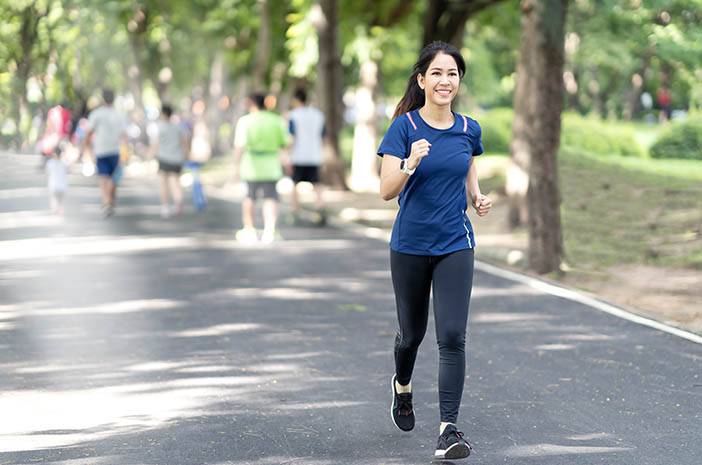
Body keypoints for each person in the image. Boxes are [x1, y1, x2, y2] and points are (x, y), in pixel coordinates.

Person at [377, 41, 492, 460]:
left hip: (454, 244)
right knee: (412, 334)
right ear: (422, 80)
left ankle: (448, 429)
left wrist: (476, 196)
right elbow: (385, 192)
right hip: (409, 245)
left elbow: (467, 163)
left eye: (453, 74)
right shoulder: (403, 128)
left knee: (452, 336)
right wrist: (409, 164)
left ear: (459, 82)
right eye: (438, 74)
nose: (446, 81)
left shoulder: (468, 129)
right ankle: (402, 387)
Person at [83, 89, 128, 217]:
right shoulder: (119, 115)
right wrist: (125, 153)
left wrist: (87, 148)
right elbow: (124, 136)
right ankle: (109, 201)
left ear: (103, 99)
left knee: (104, 177)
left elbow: (88, 133)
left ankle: (106, 201)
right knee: (113, 178)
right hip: (115, 150)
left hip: (101, 150)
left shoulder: (96, 114)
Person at [287, 89, 327, 225]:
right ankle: (320, 208)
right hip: (315, 155)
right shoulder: (318, 115)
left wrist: (288, 155)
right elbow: (323, 137)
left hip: (298, 155)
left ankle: (294, 211)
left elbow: (292, 136)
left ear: (297, 100)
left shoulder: (293, 115)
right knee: (317, 185)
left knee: (294, 185)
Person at [149, 104, 189, 218]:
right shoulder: (179, 127)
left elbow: (155, 144)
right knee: (175, 182)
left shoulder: (159, 127)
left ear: (163, 114)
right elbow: (184, 143)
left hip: (164, 158)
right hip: (177, 158)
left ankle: (165, 206)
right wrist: (186, 156)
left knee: (163, 183)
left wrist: (150, 156)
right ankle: (178, 203)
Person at [45, 149, 68, 215]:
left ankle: (54, 209)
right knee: (60, 200)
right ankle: (60, 209)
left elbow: (47, 173)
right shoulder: (64, 163)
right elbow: (68, 171)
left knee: (53, 198)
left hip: (53, 185)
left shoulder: (50, 163)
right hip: (62, 185)